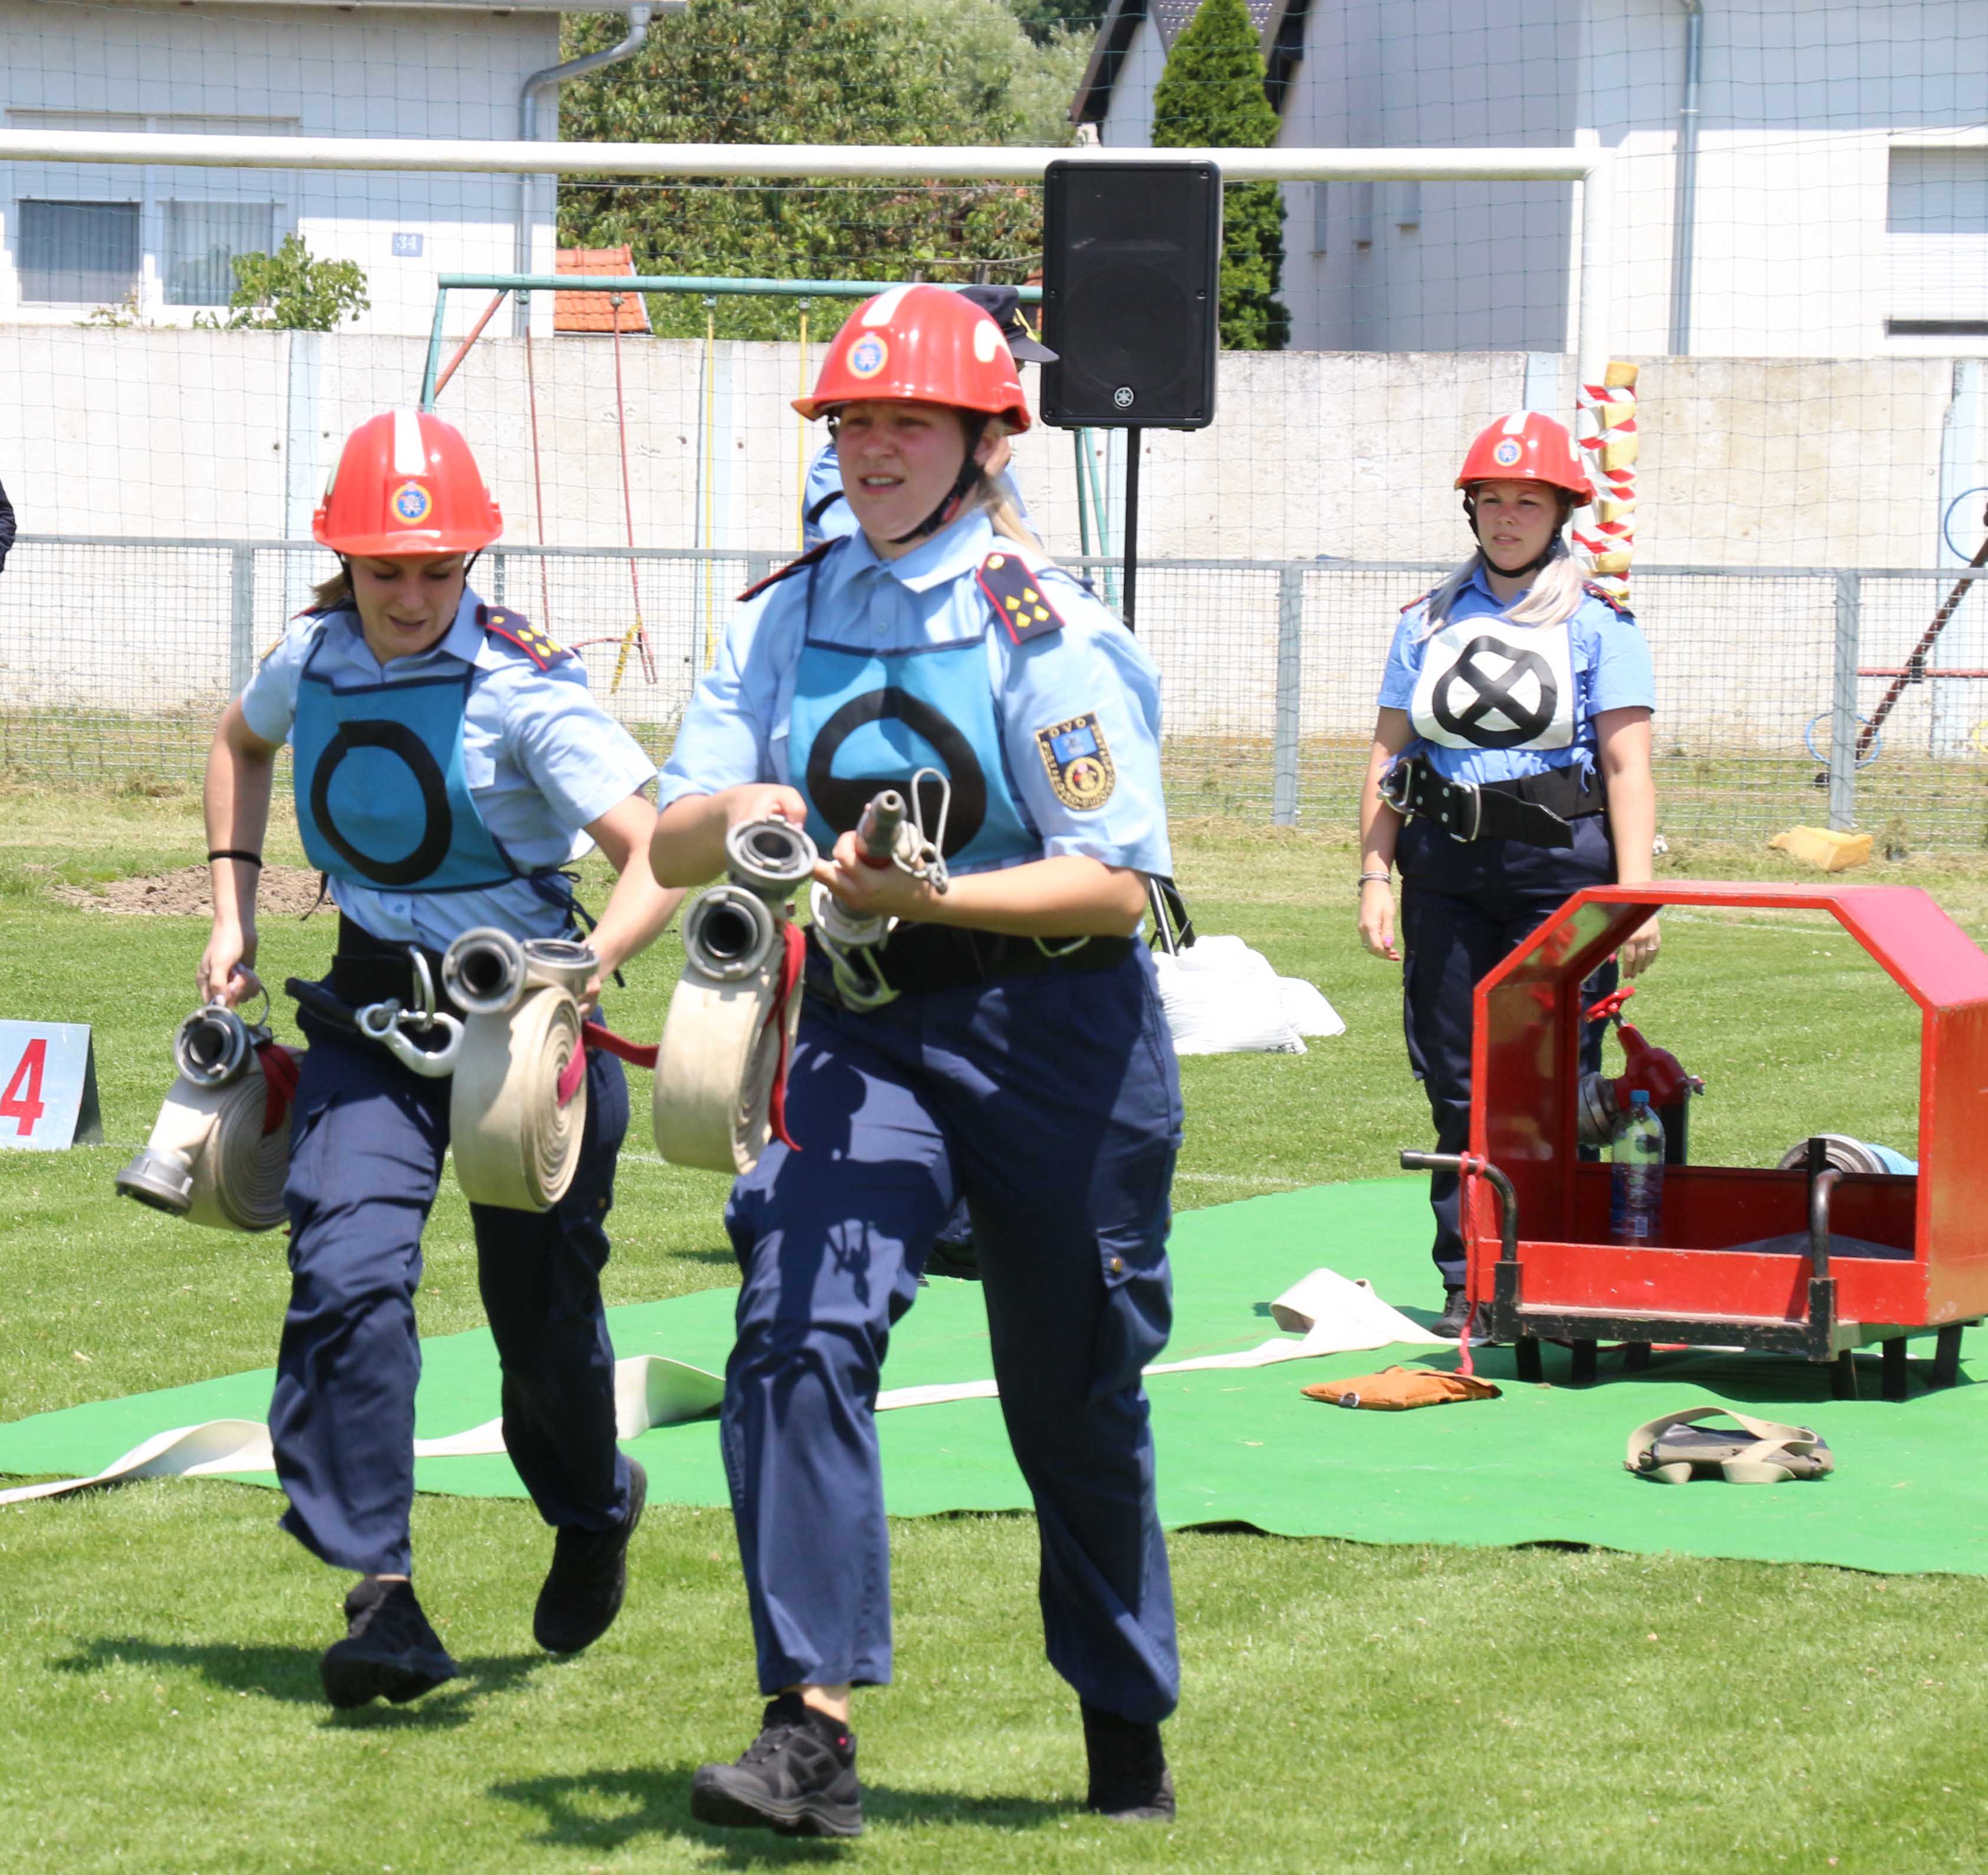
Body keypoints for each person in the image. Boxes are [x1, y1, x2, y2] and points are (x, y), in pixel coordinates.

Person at [651, 283, 1182, 1837]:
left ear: (979, 439)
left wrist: (930, 886)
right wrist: (753, 809)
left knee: (1071, 1401)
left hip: (1058, 1033)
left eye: (907, 421)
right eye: (852, 422)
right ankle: (805, 1728)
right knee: (792, 1317)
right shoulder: (778, 611)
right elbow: (673, 824)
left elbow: (1117, 879)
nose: (874, 448)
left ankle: (1120, 1716)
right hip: (868, 1029)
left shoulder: (1046, 627)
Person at [199, 409, 680, 1707]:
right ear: (341, 562)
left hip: (524, 1022)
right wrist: (232, 906)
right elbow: (239, 743)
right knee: (347, 1269)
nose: (410, 596)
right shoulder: (308, 655)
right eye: (384, 569)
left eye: (436, 569)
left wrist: (586, 972)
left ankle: (592, 1509)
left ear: (475, 562)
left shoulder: (526, 686)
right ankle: (383, 1598)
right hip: (365, 1010)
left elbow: (656, 849)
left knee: (541, 1320)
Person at [1355, 409, 1660, 1339]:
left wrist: (1635, 897)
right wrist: (1375, 874)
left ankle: (1554, 1274)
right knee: (1455, 1081)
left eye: (1527, 501)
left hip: (1559, 872)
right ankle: (1467, 1280)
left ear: (1562, 511)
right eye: (1491, 499)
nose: (1506, 517)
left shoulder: (1602, 627)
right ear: (1471, 510)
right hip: (1445, 868)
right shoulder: (1427, 623)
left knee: (1555, 1081)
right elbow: (1388, 756)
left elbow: (1627, 768)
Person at [799, 282, 1049, 551]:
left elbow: (1025, 550)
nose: (874, 446)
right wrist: (965, 488)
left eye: (1015, 372)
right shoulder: (846, 466)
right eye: (858, 421)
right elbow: (867, 572)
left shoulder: (987, 451)